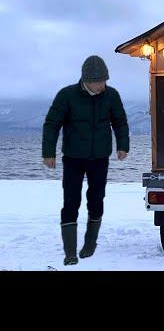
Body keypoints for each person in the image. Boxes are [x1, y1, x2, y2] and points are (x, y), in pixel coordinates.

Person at [42, 55, 129, 266]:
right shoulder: (67, 95)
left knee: (96, 199)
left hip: (100, 158)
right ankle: (70, 252)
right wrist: (48, 152)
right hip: (73, 158)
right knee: (71, 201)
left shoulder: (111, 95)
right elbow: (52, 124)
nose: (103, 85)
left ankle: (90, 243)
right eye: (99, 81)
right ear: (87, 80)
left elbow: (120, 122)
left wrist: (123, 145)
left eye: (104, 80)